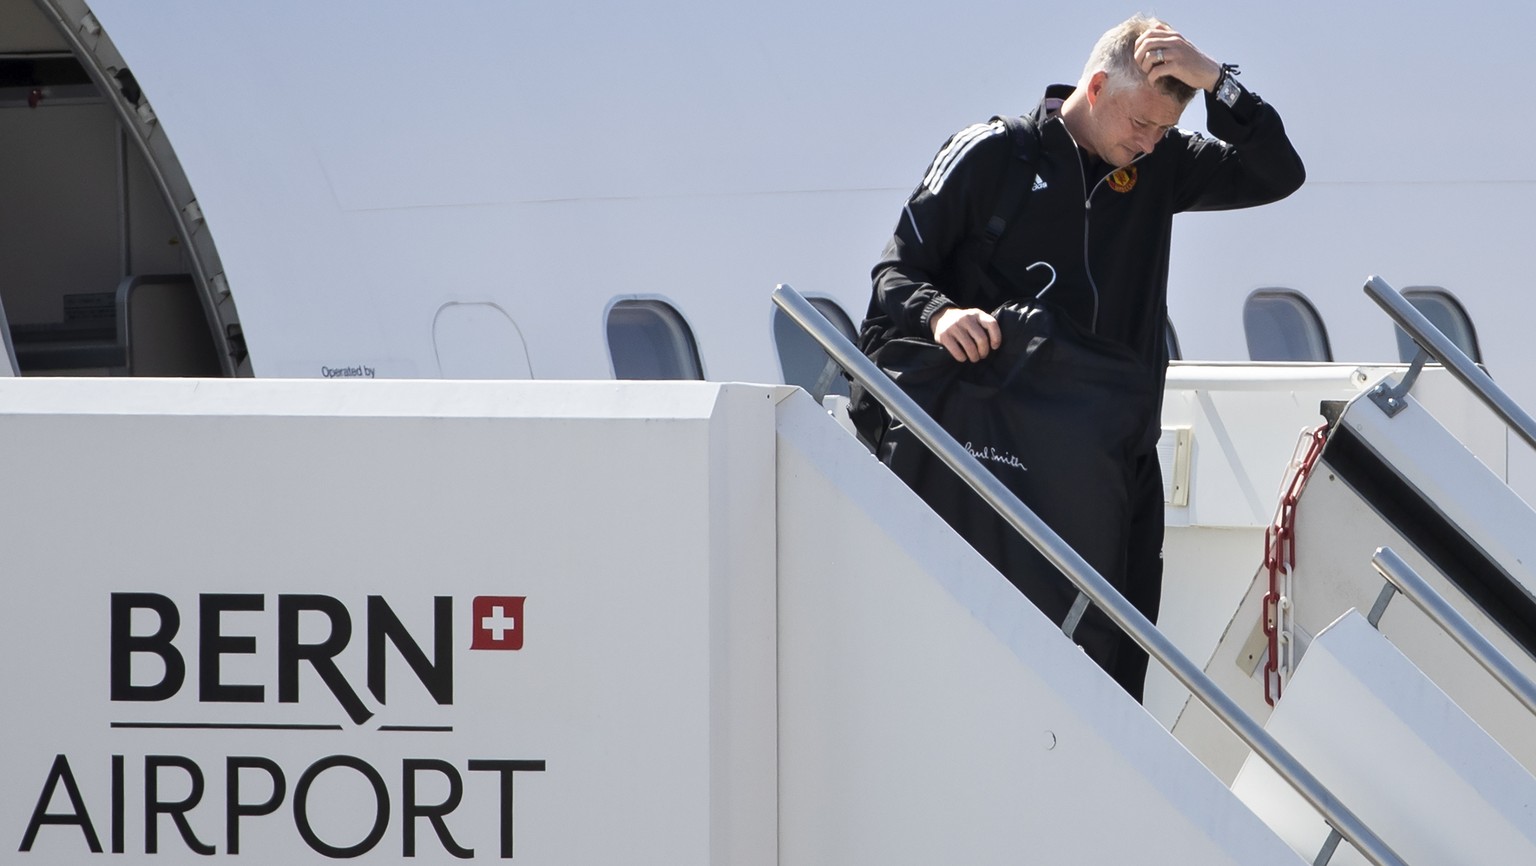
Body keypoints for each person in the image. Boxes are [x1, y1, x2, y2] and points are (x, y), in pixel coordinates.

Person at [858, 15, 1304, 701]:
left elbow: (1279, 172)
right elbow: (895, 271)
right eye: (1140, 122)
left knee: (1116, 675)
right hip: (1007, 458)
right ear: (1095, 88)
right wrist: (942, 314)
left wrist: (1219, 81)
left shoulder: (1159, 165)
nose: (1148, 142)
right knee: (1001, 665)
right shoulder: (994, 154)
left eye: (1163, 130)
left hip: (1116, 459)